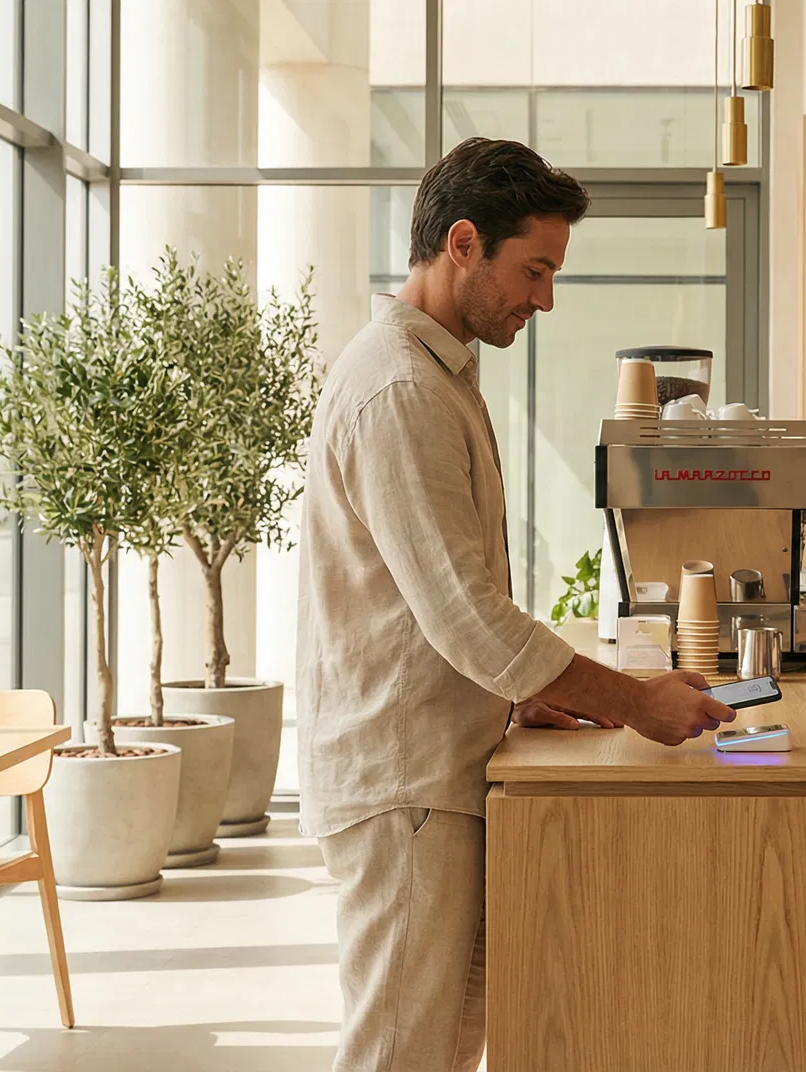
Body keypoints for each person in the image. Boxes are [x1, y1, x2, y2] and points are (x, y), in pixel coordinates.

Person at [295, 137, 737, 1072]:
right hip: (403, 782)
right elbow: (466, 616)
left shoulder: (435, 375)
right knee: (397, 1056)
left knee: (443, 1050)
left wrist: (515, 695)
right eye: (533, 270)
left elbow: (439, 610)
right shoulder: (400, 390)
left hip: (429, 768)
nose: (544, 298)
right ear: (463, 243)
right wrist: (635, 701)